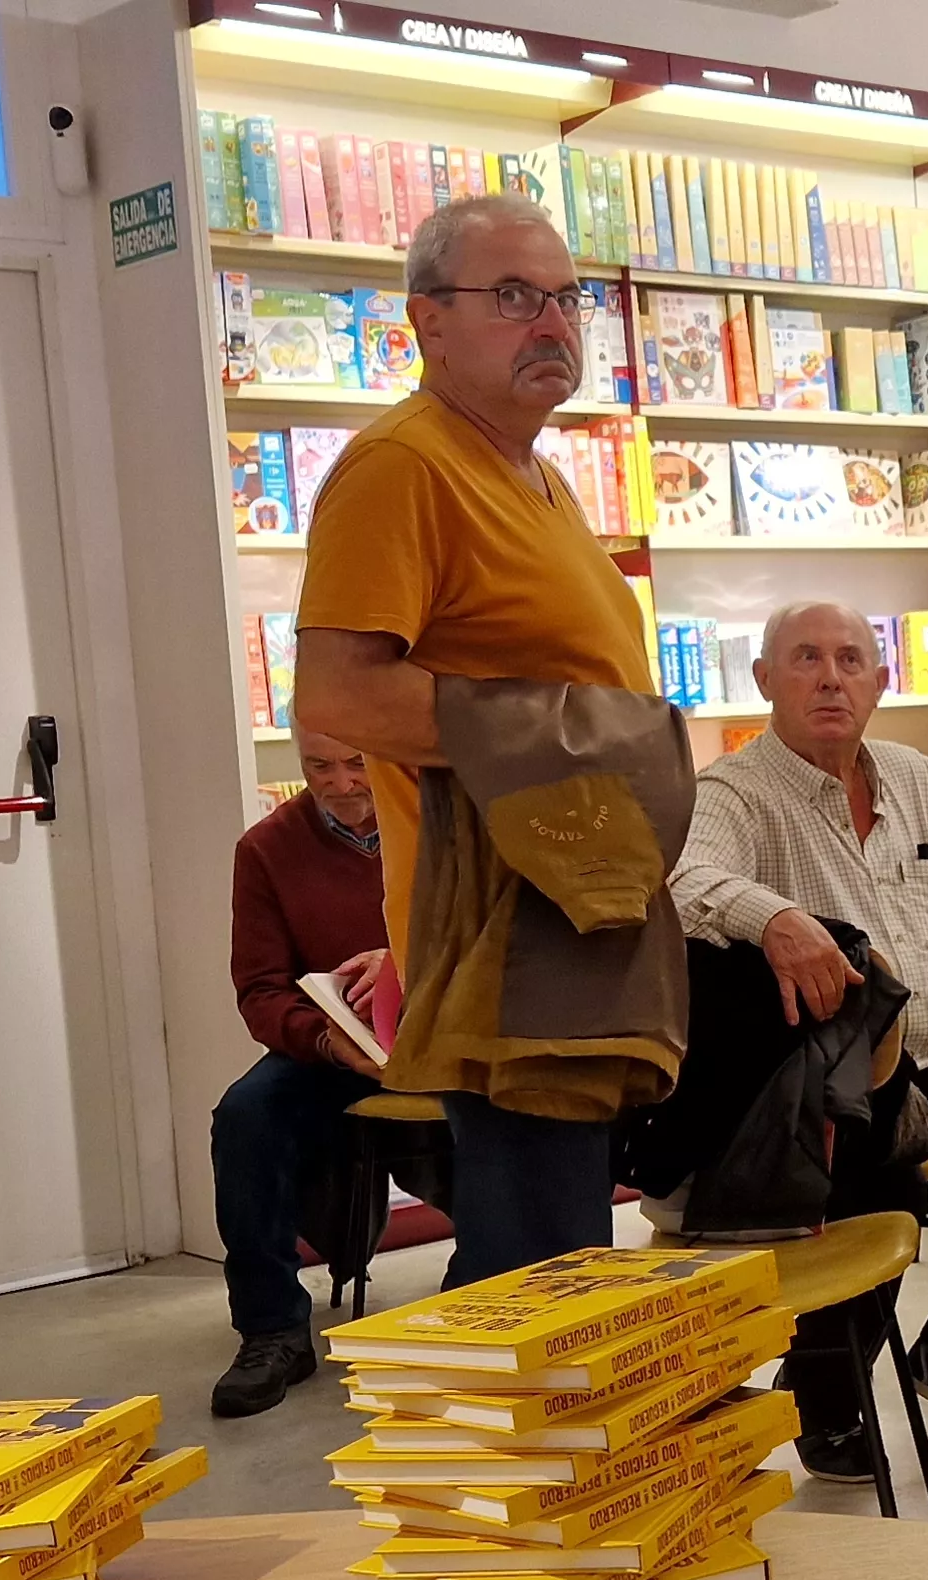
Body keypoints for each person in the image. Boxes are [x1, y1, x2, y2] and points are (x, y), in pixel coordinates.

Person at [294, 193, 677, 1287]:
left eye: (567, 298)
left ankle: (535, 1449)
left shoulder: (536, 471)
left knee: (550, 1255)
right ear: (426, 320)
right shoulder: (402, 466)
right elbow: (335, 697)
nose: (551, 322)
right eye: (513, 297)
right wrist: (585, 744)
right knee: (540, 1268)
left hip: (569, 909)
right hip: (496, 939)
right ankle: (487, 1458)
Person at [667, 601, 928, 1466]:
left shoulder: (914, 777)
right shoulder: (735, 790)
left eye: (851, 659)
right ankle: (826, 1400)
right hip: (830, 1078)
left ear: (880, 682)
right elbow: (686, 881)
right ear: (765, 679)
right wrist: (774, 917)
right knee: (879, 1167)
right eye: (805, 658)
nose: (830, 677)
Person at [207, 733, 399, 1416]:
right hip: (331, 1049)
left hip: (441, 1041)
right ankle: (271, 1329)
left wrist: (403, 963)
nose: (343, 783)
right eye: (321, 766)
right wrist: (323, 1037)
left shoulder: (434, 822)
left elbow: (482, 939)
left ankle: (495, 1288)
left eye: (359, 762)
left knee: (510, 1113)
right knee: (245, 1116)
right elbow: (259, 989)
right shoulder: (265, 849)